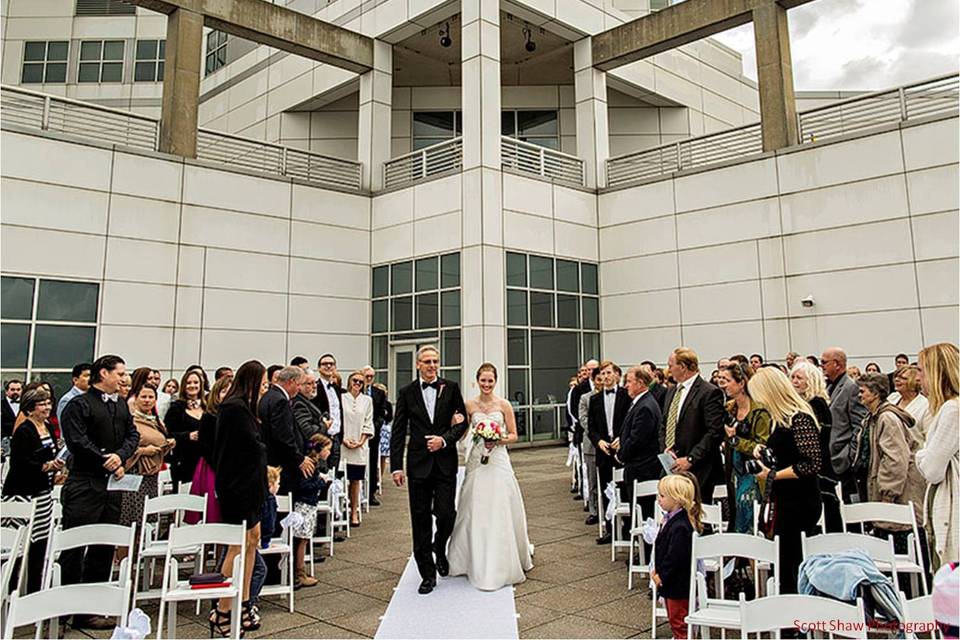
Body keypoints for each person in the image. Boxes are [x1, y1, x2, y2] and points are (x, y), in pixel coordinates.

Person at [59, 355, 140, 629]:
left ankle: (90, 610)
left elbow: (133, 435)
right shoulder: (79, 404)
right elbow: (76, 440)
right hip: (84, 483)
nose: (123, 378)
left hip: (112, 484)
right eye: (119, 373)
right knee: (75, 545)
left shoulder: (120, 405)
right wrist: (103, 459)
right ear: (103, 373)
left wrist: (120, 456)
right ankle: (64, 607)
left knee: (103, 545)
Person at [447, 363, 532, 591]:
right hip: (477, 459)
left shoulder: (503, 404)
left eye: (490, 381)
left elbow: (514, 435)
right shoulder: (469, 404)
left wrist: (498, 439)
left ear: (496, 381)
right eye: (483, 381)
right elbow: (463, 432)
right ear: (477, 381)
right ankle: (471, 556)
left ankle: (502, 557)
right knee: (473, 504)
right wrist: (455, 425)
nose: (486, 385)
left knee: (500, 503)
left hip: (497, 459)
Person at [390, 345, 467, 595]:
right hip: (418, 465)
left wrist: (444, 440)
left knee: (446, 513)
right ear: (418, 364)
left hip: (445, 462)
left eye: (435, 361)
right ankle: (427, 573)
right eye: (427, 362)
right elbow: (398, 430)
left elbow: (462, 422)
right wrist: (395, 467)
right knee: (420, 519)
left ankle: (440, 546)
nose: (432, 366)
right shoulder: (407, 392)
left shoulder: (451, 388)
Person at [747, 367, 821, 595]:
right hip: (784, 499)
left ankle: (795, 616)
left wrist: (773, 474)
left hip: (799, 501)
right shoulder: (780, 420)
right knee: (783, 560)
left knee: (791, 561)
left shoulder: (800, 418)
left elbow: (812, 463)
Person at [211, 360, 269, 637]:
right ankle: (222, 606)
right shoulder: (233, 408)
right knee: (237, 545)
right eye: (263, 383)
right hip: (237, 486)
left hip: (252, 485)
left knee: (253, 541)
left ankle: (244, 601)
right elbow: (234, 451)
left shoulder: (246, 408)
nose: (265, 388)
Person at [854, 373, 926, 551]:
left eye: (863, 391)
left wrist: (888, 494)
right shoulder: (873, 417)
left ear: (875, 393)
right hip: (882, 493)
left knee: (900, 547)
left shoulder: (887, 418)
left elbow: (895, 459)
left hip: (897, 498)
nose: (859, 395)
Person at [1, 387, 64, 592]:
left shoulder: (46, 426)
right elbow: (20, 462)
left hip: (43, 492)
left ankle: (34, 591)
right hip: (22, 494)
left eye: (48, 403)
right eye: (42, 404)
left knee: (39, 544)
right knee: (17, 547)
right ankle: (9, 589)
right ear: (30, 408)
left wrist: (55, 468)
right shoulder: (24, 430)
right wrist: (45, 466)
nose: (47, 407)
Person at [660, 347, 725, 502]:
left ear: (683, 367)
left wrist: (691, 459)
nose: (668, 371)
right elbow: (664, 424)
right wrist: (666, 448)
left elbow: (714, 432)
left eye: (671, 366)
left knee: (696, 516)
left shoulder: (708, 392)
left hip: (699, 469)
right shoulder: (671, 391)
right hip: (672, 466)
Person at [915, 343, 959, 569]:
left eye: (921, 370)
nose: (917, 378)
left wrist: (921, 454)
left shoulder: (952, 410)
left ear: (936, 373)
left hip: (952, 510)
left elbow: (932, 469)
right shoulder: (945, 409)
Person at [118, 382, 175, 548]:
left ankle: (135, 563)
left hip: (151, 476)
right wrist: (143, 451)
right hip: (135, 475)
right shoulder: (130, 421)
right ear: (135, 399)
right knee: (129, 524)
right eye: (143, 396)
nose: (147, 400)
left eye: (151, 397)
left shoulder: (156, 421)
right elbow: (122, 447)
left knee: (144, 524)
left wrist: (166, 445)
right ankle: (123, 562)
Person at [717, 362, 770, 533]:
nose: (723, 384)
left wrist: (735, 440)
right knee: (735, 512)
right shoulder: (729, 409)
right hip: (733, 470)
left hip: (753, 472)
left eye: (727, 380)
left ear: (741, 383)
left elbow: (762, 446)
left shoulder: (760, 411)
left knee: (748, 515)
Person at [616, 366, 663, 555]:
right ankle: (644, 552)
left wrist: (621, 454)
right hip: (639, 467)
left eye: (629, 381)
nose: (626, 385)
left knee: (645, 514)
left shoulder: (645, 406)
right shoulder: (640, 402)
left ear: (641, 383)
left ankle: (648, 554)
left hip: (642, 469)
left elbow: (637, 439)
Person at [651, 474, 703, 640]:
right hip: (674, 583)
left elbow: (675, 557)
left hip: (677, 584)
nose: (659, 499)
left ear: (677, 499)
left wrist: (662, 576)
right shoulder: (673, 520)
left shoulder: (680, 526)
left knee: (679, 621)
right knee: (676, 620)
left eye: (662, 496)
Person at [790, 360, 840, 531]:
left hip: (819, 468)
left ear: (811, 381)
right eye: (793, 377)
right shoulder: (800, 405)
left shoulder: (817, 404)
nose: (795, 381)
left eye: (799, 378)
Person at [588, 361, 631, 543]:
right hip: (604, 452)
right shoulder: (595, 399)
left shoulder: (626, 395)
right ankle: (610, 529)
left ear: (616, 375)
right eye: (602, 374)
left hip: (622, 449)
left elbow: (630, 420)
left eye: (608, 373)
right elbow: (591, 426)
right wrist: (598, 441)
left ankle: (628, 528)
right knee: (606, 490)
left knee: (625, 490)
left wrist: (622, 438)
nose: (605, 377)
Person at [822, 347, 869, 502]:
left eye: (824, 362)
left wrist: (850, 456)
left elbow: (859, 424)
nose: (821, 366)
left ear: (836, 364)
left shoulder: (851, 387)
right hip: (830, 459)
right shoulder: (829, 386)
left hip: (843, 460)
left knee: (849, 503)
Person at [186, 375, 230, 525]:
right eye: (224, 391)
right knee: (211, 507)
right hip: (212, 465)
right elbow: (204, 445)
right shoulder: (209, 417)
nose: (227, 395)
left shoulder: (235, 415)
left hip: (229, 466)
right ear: (216, 394)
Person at [291, 433, 333, 580]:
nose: (329, 453)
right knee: (302, 539)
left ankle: (299, 569)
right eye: (328, 449)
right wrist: (322, 483)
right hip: (305, 505)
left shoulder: (314, 465)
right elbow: (304, 485)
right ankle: (300, 571)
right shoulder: (310, 466)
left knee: (304, 538)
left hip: (308, 504)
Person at [341, 370, 374, 527]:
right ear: (349, 381)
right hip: (343, 445)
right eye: (355, 380)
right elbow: (337, 420)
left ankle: (354, 512)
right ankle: (340, 510)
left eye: (361, 382)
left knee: (355, 480)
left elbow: (369, 422)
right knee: (341, 480)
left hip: (359, 446)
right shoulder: (342, 398)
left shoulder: (367, 400)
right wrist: (343, 439)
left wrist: (361, 441)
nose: (357, 384)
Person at [165, 369, 205, 489]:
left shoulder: (207, 406)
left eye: (195, 382)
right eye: (188, 383)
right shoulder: (176, 408)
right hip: (183, 460)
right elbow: (167, 433)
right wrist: (187, 436)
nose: (192, 385)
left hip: (204, 460)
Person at [578, 366, 603, 526]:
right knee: (593, 480)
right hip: (592, 444)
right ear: (594, 381)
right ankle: (594, 511)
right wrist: (597, 435)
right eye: (599, 379)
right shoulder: (586, 398)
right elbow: (583, 419)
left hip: (608, 445)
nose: (602, 382)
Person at [363, 366, 391, 506]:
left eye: (371, 377)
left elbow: (382, 413)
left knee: (373, 461)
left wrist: (373, 427)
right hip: (356, 433)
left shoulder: (378, 393)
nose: (368, 379)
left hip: (373, 433)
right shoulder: (354, 390)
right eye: (366, 376)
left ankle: (371, 493)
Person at [313, 354, 344, 474]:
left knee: (334, 473)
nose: (328, 366)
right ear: (319, 368)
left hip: (336, 437)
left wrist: (340, 435)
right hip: (322, 438)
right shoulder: (315, 386)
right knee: (321, 472)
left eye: (331, 364)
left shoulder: (336, 388)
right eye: (325, 364)